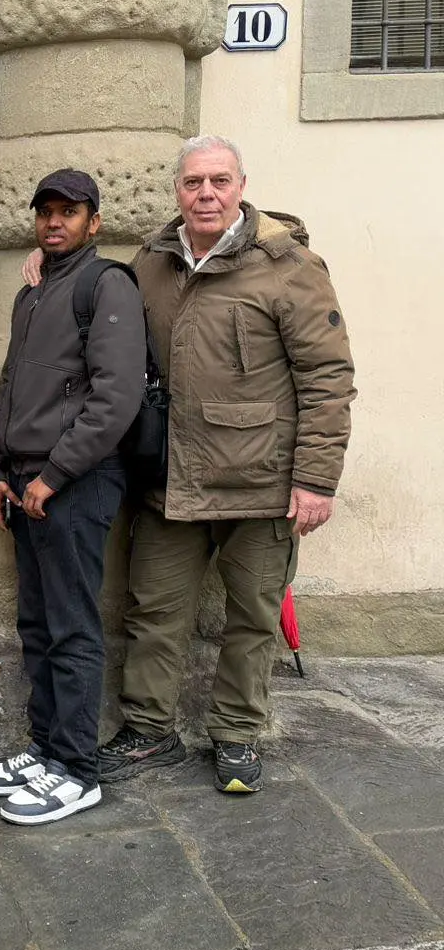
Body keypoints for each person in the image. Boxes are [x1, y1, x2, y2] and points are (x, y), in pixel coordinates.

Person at [95, 135, 356, 794]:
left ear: (241, 185)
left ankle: (237, 733)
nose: (205, 194)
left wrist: (316, 479)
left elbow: (328, 376)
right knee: (154, 613)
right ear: (177, 191)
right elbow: (102, 316)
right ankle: (149, 730)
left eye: (218, 181)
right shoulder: (150, 262)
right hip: (172, 479)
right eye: (192, 183)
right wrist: (45, 271)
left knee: (251, 619)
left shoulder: (289, 266)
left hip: (262, 482)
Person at [0, 171, 148, 826]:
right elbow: (10, 391)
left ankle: (78, 769)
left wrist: (52, 475)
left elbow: (115, 399)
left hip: (74, 483)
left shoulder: (106, 286)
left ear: (93, 222)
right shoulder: (32, 293)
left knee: (73, 626)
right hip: (25, 483)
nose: (55, 222)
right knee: (37, 624)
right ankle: (46, 748)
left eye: (69, 212)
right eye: (46, 212)